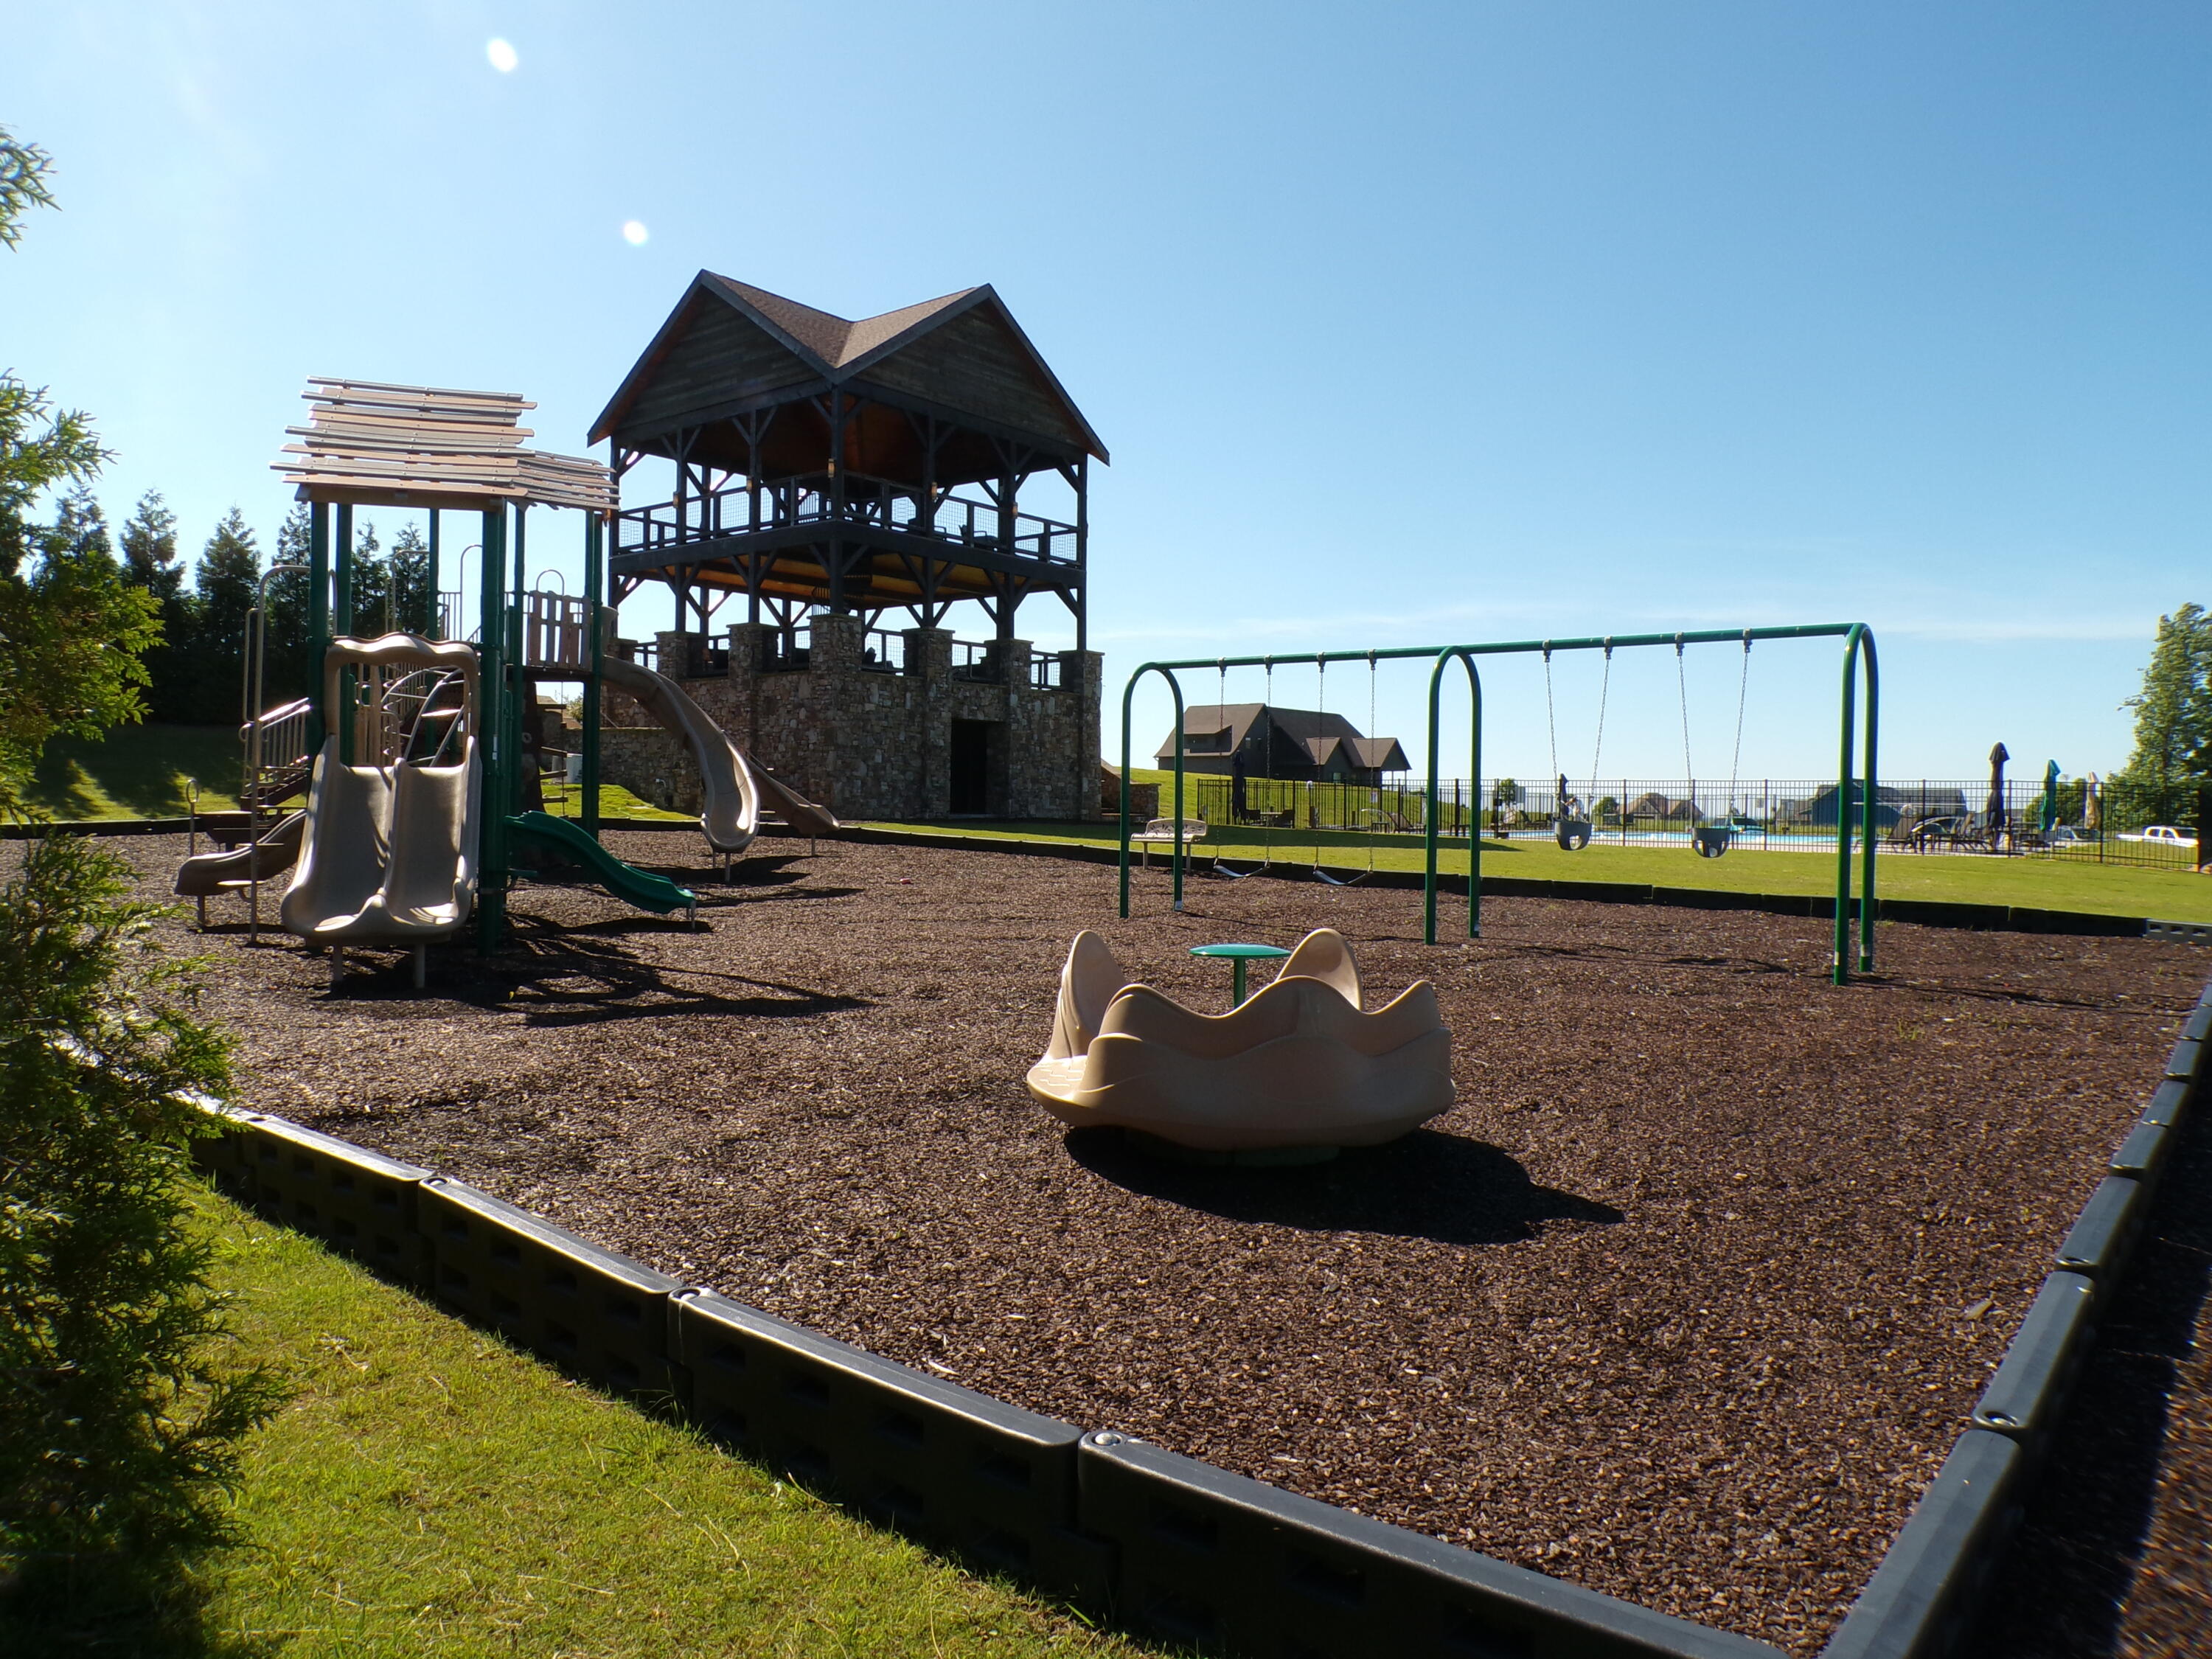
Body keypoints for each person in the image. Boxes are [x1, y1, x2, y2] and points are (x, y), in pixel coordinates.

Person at [1231, 748, 1248, 821]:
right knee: (1240, 805)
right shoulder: (1240, 763)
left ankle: (1239, 818)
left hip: (1238, 792)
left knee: (1238, 804)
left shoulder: (1238, 765)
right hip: (1239, 792)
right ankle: (1241, 818)